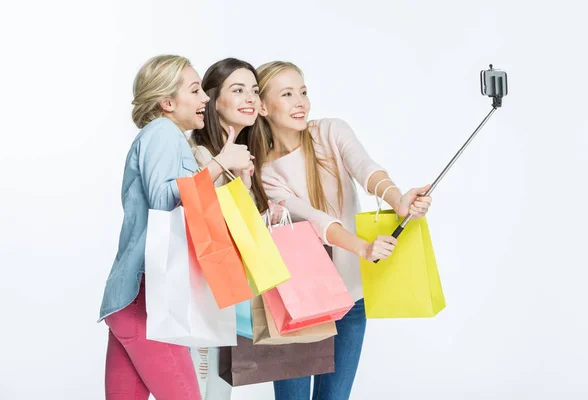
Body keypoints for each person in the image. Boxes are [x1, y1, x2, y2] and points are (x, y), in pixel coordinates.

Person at [256, 61, 433, 400]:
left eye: (303, 92)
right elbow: (316, 222)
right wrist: (363, 248)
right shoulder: (265, 173)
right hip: (298, 305)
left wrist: (398, 200)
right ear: (263, 106)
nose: (300, 102)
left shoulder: (330, 132)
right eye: (287, 94)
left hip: (351, 299)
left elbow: (366, 169)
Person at [98, 54, 251, 400]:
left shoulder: (166, 137)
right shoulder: (162, 132)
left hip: (129, 300)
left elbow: (186, 203)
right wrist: (219, 164)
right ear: (167, 102)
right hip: (145, 299)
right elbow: (162, 201)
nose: (205, 99)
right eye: (195, 91)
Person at [186, 57, 285, 399]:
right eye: (237, 89)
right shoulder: (199, 155)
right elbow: (198, 219)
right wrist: (226, 169)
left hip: (229, 299)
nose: (249, 99)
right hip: (201, 297)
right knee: (200, 390)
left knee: (219, 391)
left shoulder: (247, 156)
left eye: (254, 91)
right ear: (212, 100)